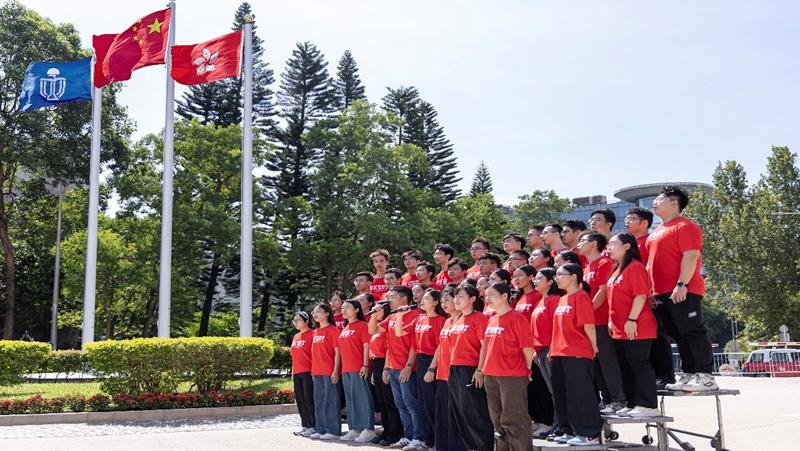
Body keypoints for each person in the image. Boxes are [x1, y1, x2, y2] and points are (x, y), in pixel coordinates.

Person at [647, 186, 717, 391]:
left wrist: (681, 284)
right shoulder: (655, 233)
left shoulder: (685, 226)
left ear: (674, 203)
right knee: (677, 333)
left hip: (683, 289)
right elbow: (651, 264)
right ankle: (689, 373)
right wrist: (651, 291)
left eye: (660, 199)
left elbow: (691, 256)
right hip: (661, 293)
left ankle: (705, 376)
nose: (655, 202)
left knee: (691, 330)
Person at [607, 233, 660, 417]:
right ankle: (632, 403)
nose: (609, 247)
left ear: (627, 246)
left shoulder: (635, 267)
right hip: (619, 329)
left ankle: (649, 406)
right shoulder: (617, 269)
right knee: (625, 366)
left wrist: (632, 319)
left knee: (639, 365)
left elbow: (640, 295)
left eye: (613, 244)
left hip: (637, 326)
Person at [549, 263, 603, 446]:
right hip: (559, 352)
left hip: (577, 351)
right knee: (562, 393)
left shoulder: (581, 297)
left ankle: (589, 434)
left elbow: (588, 325)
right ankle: (569, 429)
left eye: (560, 274)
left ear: (573, 276)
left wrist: (593, 346)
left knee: (580, 393)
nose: (556, 278)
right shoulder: (562, 299)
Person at [370, 286, 426, 450]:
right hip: (393, 367)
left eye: (392, 296)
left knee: (411, 404)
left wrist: (408, 366)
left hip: (407, 368)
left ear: (403, 299)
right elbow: (374, 330)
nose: (389, 300)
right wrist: (374, 314)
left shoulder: (415, 315)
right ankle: (408, 436)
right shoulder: (392, 316)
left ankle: (419, 437)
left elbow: (414, 345)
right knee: (400, 405)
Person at [482, 283, 536, 451]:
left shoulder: (517, 318)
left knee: (514, 417)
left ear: (504, 296)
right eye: (486, 295)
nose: (487, 299)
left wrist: (528, 369)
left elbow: (527, 348)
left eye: (491, 295)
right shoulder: (492, 319)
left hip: (512, 374)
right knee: (497, 418)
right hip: (491, 374)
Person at [577, 231, 626, 413]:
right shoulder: (586, 268)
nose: (579, 244)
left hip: (601, 320)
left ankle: (619, 399)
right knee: (596, 363)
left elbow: (603, 290)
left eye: (583, 241)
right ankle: (606, 400)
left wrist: (587, 311)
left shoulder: (604, 263)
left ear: (593, 244)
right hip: (589, 322)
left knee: (607, 362)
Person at [626, 207, 674, 388]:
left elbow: (655, 268)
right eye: (627, 218)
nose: (627, 221)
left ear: (645, 223)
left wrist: (651, 292)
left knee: (658, 336)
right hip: (633, 298)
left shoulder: (650, 240)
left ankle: (666, 376)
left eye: (632, 218)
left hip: (649, 297)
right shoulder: (628, 245)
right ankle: (652, 376)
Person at [399, 289, 447, 448]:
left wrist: (432, 369)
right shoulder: (419, 319)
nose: (422, 301)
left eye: (426, 298)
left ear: (435, 302)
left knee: (432, 403)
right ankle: (427, 440)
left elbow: (440, 347)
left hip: (432, 361)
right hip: (420, 361)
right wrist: (400, 315)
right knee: (423, 403)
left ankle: (437, 441)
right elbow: (400, 333)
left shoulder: (441, 320)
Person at [448, 285, 494, 451]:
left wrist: (480, 370)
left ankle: (484, 447)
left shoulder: (479, 318)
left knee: (475, 411)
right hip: (454, 368)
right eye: (455, 296)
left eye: (460, 296)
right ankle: (470, 447)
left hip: (471, 368)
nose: (456, 299)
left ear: (473, 299)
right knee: (460, 411)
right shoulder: (458, 318)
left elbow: (485, 346)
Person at [424, 285, 467, 451]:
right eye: (442, 301)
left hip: (456, 372)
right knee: (442, 412)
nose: (444, 304)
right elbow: (440, 347)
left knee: (454, 413)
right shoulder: (447, 321)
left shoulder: (463, 320)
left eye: (447, 300)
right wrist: (432, 368)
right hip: (441, 372)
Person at [338, 300, 377, 442]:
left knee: (363, 398)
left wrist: (366, 365)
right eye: (342, 308)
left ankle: (369, 429)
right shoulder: (345, 328)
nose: (343, 310)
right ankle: (354, 428)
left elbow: (367, 346)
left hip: (359, 367)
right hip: (346, 369)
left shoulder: (363, 325)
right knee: (351, 400)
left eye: (347, 307)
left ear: (356, 310)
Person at [531, 267, 563, 437]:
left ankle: (562, 424)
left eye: (539, 278)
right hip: (540, 351)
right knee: (552, 390)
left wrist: (552, 347)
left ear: (550, 281)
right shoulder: (541, 301)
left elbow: (557, 327)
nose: (535, 281)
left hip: (550, 349)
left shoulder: (555, 300)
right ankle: (557, 423)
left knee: (557, 389)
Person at [369, 301, 404, 446]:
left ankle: (395, 432)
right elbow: (371, 331)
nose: (375, 310)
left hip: (386, 362)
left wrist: (386, 368)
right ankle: (387, 429)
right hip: (376, 363)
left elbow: (389, 348)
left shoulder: (388, 325)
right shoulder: (380, 324)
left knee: (390, 401)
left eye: (378, 309)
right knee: (382, 401)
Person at [310, 303, 342, 440]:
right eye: (314, 312)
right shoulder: (315, 332)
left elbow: (337, 352)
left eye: (318, 311)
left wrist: (335, 370)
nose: (315, 314)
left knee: (331, 401)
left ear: (327, 313)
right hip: (316, 371)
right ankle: (320, 429)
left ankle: (332, 430)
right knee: (319, 401)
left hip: (329, 371)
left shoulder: (333, 330)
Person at [291, 311, 316, 437]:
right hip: (297, 372)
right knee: (300, 400)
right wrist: (292, 372)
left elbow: (315, 355)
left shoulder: (312, 334)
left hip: (308, 372)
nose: (295, 322)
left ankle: (312, 426)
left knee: (308, 399)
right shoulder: (296, 336)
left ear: (306, 321)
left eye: (298, 320)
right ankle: (305, 425)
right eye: (294, 320)